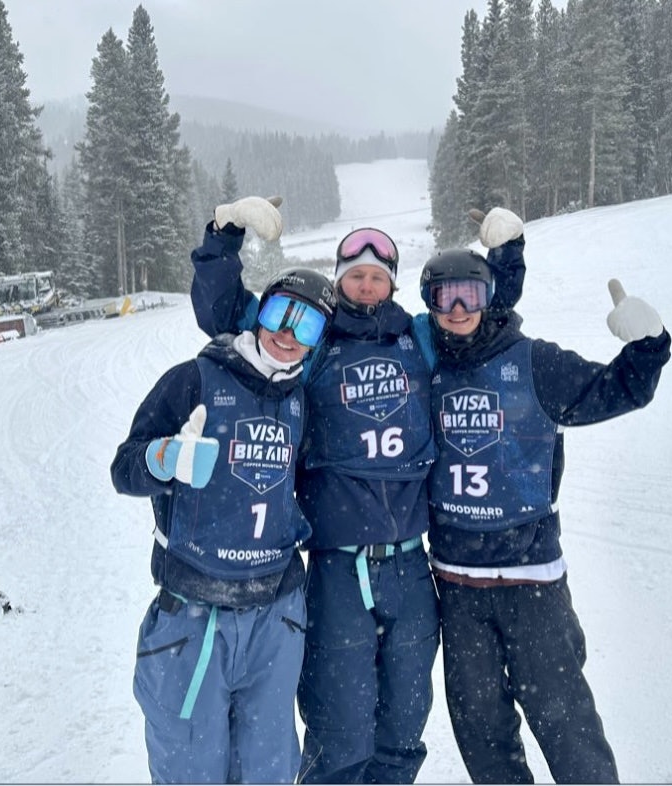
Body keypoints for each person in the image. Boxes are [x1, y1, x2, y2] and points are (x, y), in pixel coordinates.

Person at [411, 208, 672, 784]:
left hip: (531, 582)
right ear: (429, 303)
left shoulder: (531, 361)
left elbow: (617, 389)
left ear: (489, 299)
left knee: (565, 722)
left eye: (471, 295)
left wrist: (648, 346)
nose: (459, 309)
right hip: (457, 586)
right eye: (445, 297)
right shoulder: (424, 368)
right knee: (482, 733)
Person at [189, 196, 441, 783]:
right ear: (339, 278)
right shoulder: (313, 337)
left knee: (403, 730)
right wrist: (223, 236)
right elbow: (226, 313)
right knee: (339, 732)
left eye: (378, 276)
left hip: (410, 566)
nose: (367, 285)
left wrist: (506, 261)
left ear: (392, 283)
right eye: (356, 275)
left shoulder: (418, 338)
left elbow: (474, 319)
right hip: (337, 564)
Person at [110, 246, 336, 783]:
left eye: (306, 325)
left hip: (275, 616)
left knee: (268, 769)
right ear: (259, 312)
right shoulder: (194, 380)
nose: (288, 333)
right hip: (194, 614)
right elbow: (124, 469)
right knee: (191, 767)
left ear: (318, 341)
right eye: (279, 313)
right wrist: (164, 459)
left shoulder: (300, 400)